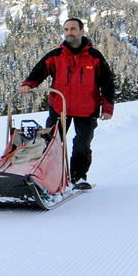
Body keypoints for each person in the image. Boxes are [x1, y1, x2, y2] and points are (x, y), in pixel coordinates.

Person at [19, 17, 116, 190]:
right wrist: (28, 84)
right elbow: (39, 71)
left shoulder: (94, 57)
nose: (69, 33)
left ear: (82, 31)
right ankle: (47, 176)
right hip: (60, 108)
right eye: (66, 30)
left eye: (73, 29)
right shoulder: (56, 55)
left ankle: (78, 177)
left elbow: (107, 82)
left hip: (87, 109)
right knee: (50, 143)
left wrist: (107, 107)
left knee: (82, 145)